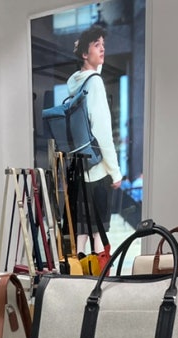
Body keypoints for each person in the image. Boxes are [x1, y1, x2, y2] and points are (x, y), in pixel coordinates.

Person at [66, 25, 122, 254]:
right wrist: (115, 172)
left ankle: (76, 274)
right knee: (98, 233)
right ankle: (101, 275)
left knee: (80, 233)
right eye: (97, 45)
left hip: (80, 169)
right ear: (84, 53)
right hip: (98, 171)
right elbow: (103, 132)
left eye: (103, 45)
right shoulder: (95, 83)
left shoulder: (76, 83)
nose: (102, 49)